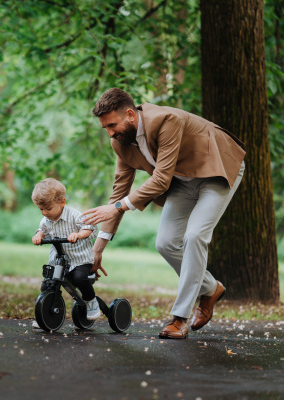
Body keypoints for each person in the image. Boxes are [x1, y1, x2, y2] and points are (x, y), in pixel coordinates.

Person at [82, 88, 246, 339]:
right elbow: (118, 193)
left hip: (217, 169)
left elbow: (159, 181)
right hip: (183, 181)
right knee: (166, 243)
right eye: (105, 128)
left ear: (130, 114)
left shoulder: (167, 121)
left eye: (112, 125)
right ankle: (211, 288)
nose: (110, 133)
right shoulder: (121, 142)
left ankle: (180, 319)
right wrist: (98, 248)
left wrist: (117, 207)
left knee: (195, 236)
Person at [31, 178, 100, 327]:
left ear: (62, 202)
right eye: (41, 209)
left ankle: (91, 302)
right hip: (58, 260)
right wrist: (39, 236)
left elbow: (89, 227)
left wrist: (79, 234)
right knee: (48, 284)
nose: (44, 212)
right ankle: (44, 314)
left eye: (48, 208)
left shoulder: (74, 215)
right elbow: (41, 230)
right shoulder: (46, 220)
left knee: (79, 277)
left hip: (79, 259)